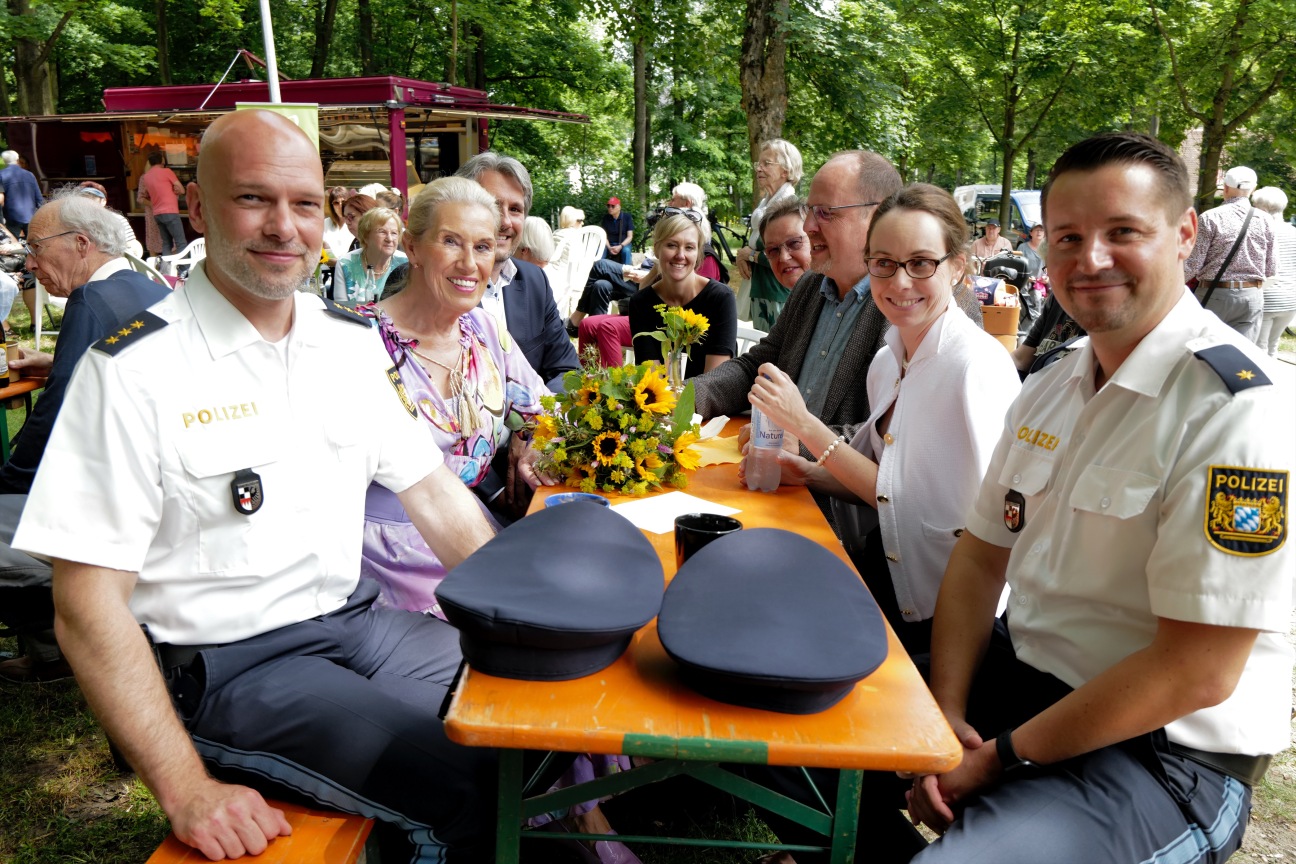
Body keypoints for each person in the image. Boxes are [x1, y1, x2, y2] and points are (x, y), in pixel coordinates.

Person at [12, 109, 499, 861]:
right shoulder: (132, 371)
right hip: (234, 667)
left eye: (304, 204)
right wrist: (185, 787)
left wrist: (525, 617)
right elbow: (84, 608)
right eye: (252, 199)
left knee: (532, 710)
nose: (284, 226)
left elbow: (433, 494)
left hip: (359, 624)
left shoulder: (344, 343)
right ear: (198, 210)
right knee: (462, 786)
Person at [906, 132, 1293, 864]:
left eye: (1123, 233)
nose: (1091, 260)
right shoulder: (1052, 383)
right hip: (1021, 681)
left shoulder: (1238, 408)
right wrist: (942, 717)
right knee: (816, 704)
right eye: (1069, 237)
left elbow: (1196, 671)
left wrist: (990, 761)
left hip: (1165, 754)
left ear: (1184, 237)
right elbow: (979, 559)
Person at [746, 184, 1020, 656]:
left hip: (953, 621)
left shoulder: (976, 367)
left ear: (957, 267)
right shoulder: (888, 360)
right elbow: (884, 489)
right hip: (889, 585)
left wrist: (804, 424)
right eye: (885, 264)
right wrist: (809, 473)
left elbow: (965, 527)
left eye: (920, 263)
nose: (899, 283)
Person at [358, 176, 551, 614]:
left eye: (482, 247)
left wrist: (531, 444)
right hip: (386, 563)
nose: (469, 263)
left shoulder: (484, 329)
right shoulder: (359, 341)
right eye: (451, 242)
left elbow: (545, 411)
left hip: (472, 534)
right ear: (412, 247)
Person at [0, 189, 170, 684]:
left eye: (35, 247)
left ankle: (54, 650)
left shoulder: (91, 298)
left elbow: (58, 415)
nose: (29, 263)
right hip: (147, 493)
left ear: (80, 244)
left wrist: (11, 481)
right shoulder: (146, 288)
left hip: (118, 514)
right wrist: (56, 361)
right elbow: (113, 370)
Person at [456, 152, 579, 392]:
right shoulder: (432, 280)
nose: (505, 222)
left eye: (515, 209)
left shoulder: (534, 281)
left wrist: (542, 420)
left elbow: (565, 370)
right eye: (491, 205)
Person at [628, 212, 737, 378]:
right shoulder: (641, 303)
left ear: (698, 253)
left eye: (689, 247)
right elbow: (652, 378)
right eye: (671, 245)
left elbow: (715, 382)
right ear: (657, 249)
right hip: (662, 401)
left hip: (710, 399)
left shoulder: (720, 298)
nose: (680, 255)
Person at [1183, 165, 1276, 343]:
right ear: (1253, 189)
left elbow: (1192, 265)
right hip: (1251, 296)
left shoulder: (1210, 218)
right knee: (1241, 357)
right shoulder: (1265, 220)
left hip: (1214, 294)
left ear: (1225, 188)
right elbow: (1271, 268)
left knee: (1204, 351)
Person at [735, 139, 802, 330]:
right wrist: (745, 255)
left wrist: (750, 255)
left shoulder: (788, 208)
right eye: (758, 164)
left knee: (776, 353)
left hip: (779, 294)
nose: (759, 169)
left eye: (766, 163)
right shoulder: (765, 206)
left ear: (786, 170)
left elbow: (787, 257)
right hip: (762, 291)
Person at [1251, 186, 1295, 358]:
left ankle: (1262, 384)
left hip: (1267, 297)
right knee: (1272, 346)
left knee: (1259, 348)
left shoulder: (1260, 231)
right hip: (1290, 299)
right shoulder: (1294, 232)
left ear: (1261, 208)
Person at [336, 207, 408, 302]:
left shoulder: (406, 263)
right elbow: (341, 308)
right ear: (366, 236)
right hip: (354, 317)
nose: (390, 239)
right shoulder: (345, 263)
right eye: (382, 232)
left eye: (394, 233)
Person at [136, 151, 186, 256]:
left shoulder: (146, 177)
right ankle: (183, 270)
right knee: (180, 242)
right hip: (170, 212)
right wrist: (177, 190)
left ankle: (166, 269)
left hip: (157, 214)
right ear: (162, 161)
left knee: (166, 243)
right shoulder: (167, 171)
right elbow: (182, 190)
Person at [76, 181, 143, 258]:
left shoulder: (117, 219)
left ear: (103, 201)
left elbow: (132, 244)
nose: (88, 203)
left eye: (93, 198)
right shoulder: (74, 221)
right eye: (84, 199)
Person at [758, 197, 812, 292]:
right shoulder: (797, 304)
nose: (783, 257)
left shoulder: (839, 302)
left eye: (794, 243)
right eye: (773, 250)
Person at [0, 150, 43, 237]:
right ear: (17, 160)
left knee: (12, 246)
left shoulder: (1, 175)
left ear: (4, 161)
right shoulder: (30, 175)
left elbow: (1, 200)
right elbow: (38, 198)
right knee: (34, 245)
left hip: (12, 217)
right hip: (30, 215)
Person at [322, 185, 355, 260]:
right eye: (336, 203)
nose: (340, 205)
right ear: (332, 205)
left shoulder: (355, 223)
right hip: (327, 268)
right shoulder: (325, 224)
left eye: (343, 202)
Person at [601, 196, 634, 263]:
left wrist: (621, 246)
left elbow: (630, 236)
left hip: (623, 244)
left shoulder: (627, 217)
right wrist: (609, 247)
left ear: (619, 207)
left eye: (613, 206)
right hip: (609, 244)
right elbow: (604, 236)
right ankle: (598, 271)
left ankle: (627, 271)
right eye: (608, 206)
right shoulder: (606, 218)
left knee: (626, 251)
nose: (610, 208)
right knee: (600, 250)